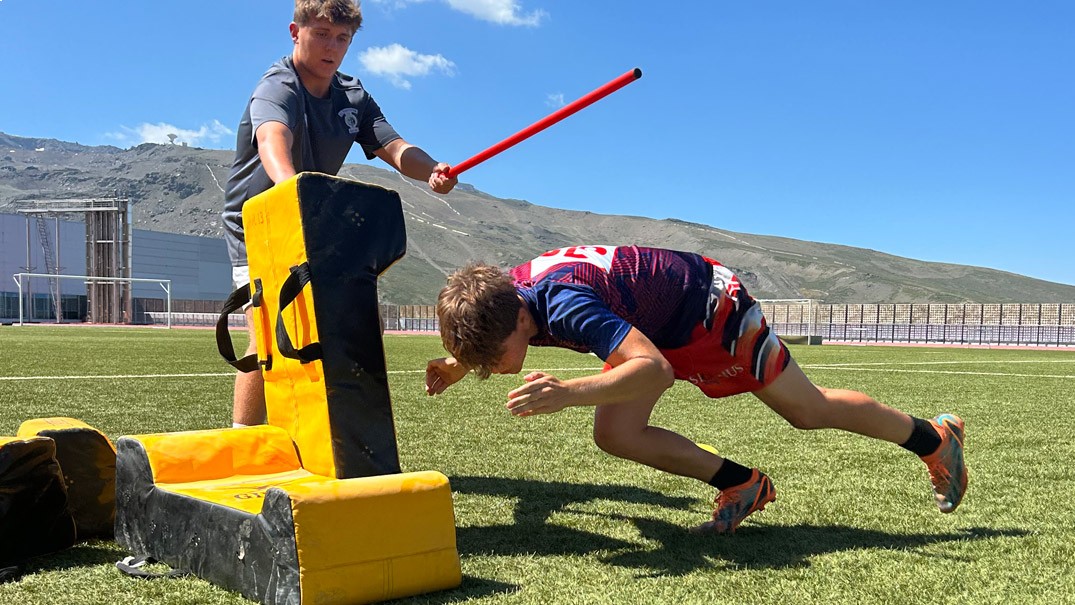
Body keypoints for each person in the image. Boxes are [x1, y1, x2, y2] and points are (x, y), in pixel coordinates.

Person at [425, 245, 968, 534]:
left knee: (806, 409)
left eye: (489, 359)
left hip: (711, 309)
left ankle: (934, 438)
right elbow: (494, 330)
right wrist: (458, 362)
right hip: (659, 323)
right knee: (617, 433)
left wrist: (568, 391)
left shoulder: (565, 306)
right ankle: (744, 485)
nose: (491, 371)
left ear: (522, 321)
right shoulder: (505, 297)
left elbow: (654, 370)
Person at [223, 0, 457, 427]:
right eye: (322, 34)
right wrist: (293, 188)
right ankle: (244, 440)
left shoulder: (352, 95)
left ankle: (329, 438)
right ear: (296, 32)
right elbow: (272, 138)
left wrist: (433, 172)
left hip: (313, 218)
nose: (332, 47)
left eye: (342, 38)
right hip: (259, 224)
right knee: (268, 335)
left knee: (341, 327)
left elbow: (396, 147)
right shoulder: (279, 86)